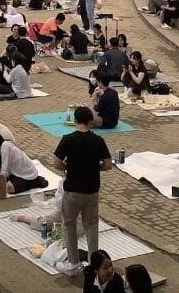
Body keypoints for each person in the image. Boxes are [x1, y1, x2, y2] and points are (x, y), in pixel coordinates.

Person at [53, 106, 112, 277]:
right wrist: (95, 168)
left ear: (75, 120)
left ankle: (73, 263)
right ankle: (95, 265)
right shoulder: (98, 140)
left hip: (73, 190)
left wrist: (69, 167)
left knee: (69, 225)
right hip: (92, 190)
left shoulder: (68, 139)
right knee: (92, 225)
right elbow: (107, 164)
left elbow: (56, 163)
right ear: (90, 120)